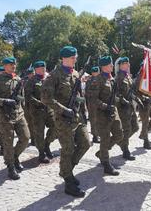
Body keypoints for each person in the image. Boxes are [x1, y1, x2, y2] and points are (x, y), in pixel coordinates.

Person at [41, 46, 90, 197]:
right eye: (73, 57)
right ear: (64, 58)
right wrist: (63, 110)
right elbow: (46, 98)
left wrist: (84, 112)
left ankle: (66, 171)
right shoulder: (54, 76)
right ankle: (68, 181)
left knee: (85, 143)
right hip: (63, 119)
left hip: (77, 117)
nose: (75, 59)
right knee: (67, 149)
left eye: (75, 57)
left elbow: (78, 95)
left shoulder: (75, 73)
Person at [0, 57, 30, 180]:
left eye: (14, 64)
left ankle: (15, 156)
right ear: (5, 66)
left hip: (19, 114)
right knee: (8, 143)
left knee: (25, 138)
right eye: (10, 64)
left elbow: (22, 96)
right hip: (5, 116)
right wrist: (3, 101)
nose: (13, 66)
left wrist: (23, 107)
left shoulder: (18, 79)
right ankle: (10, 166)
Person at [86, 56, 123, 176]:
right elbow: (92, 99)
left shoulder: (112, 79)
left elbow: (115, 95)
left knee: (119, 135)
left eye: (112, 64)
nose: (112, 66)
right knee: (105, 138)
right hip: (102, 114)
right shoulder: (97, 80)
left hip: (113, 111)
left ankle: (102, 152)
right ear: (104, 67)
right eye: (110, 64)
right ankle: (106, 163)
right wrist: (105, 106)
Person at [24, 61, 57, 164]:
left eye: (44, 67)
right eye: (40, 68)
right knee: (39, 133)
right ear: (36, 69)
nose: (43, 69)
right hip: (37, 111)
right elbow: (28, 96)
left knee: (55, 127)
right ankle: (41, 153)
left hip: (49, 109)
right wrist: (39, 103)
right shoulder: (31, 81)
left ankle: (47, 144)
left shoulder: (49, 79)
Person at [115, 57, 140, 160]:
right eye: (126, 63)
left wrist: (137, 100)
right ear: (120, 65)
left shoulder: (127, 76)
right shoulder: (118, 78)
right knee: (126, 129)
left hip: (131, 106)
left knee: (135, 127)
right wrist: (122, 100)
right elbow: (115, 94)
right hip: (123, 108)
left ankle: (121, 142)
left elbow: (131, 91)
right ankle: (125, 150)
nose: (128, 65)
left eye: (128, 63)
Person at [134, 62, 151, 150]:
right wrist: (144, 98)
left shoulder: (150, 76)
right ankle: (146, 142)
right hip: (143, 103)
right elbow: (136, 92)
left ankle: (143, 134)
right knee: (145, 122)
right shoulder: (139, 78)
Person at [85, 66, 100, 143]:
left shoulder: (101, 79)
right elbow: (87, 93)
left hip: (99, 103)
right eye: (95, 72)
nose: (96, 73)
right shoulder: (89, 81)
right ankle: (95, 136)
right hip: (92, 104)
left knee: (99, 119)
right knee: (93, 120)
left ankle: (98, 134)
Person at [23, 67, 36, 145]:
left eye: (33, 73)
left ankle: (35, 138)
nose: (32, 75)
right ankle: (33, 139)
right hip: (28, 106)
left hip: (36, 106)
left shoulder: (37, 80)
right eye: (31, 74)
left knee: (35, 123)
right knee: (30, 123)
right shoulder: (25, 82)